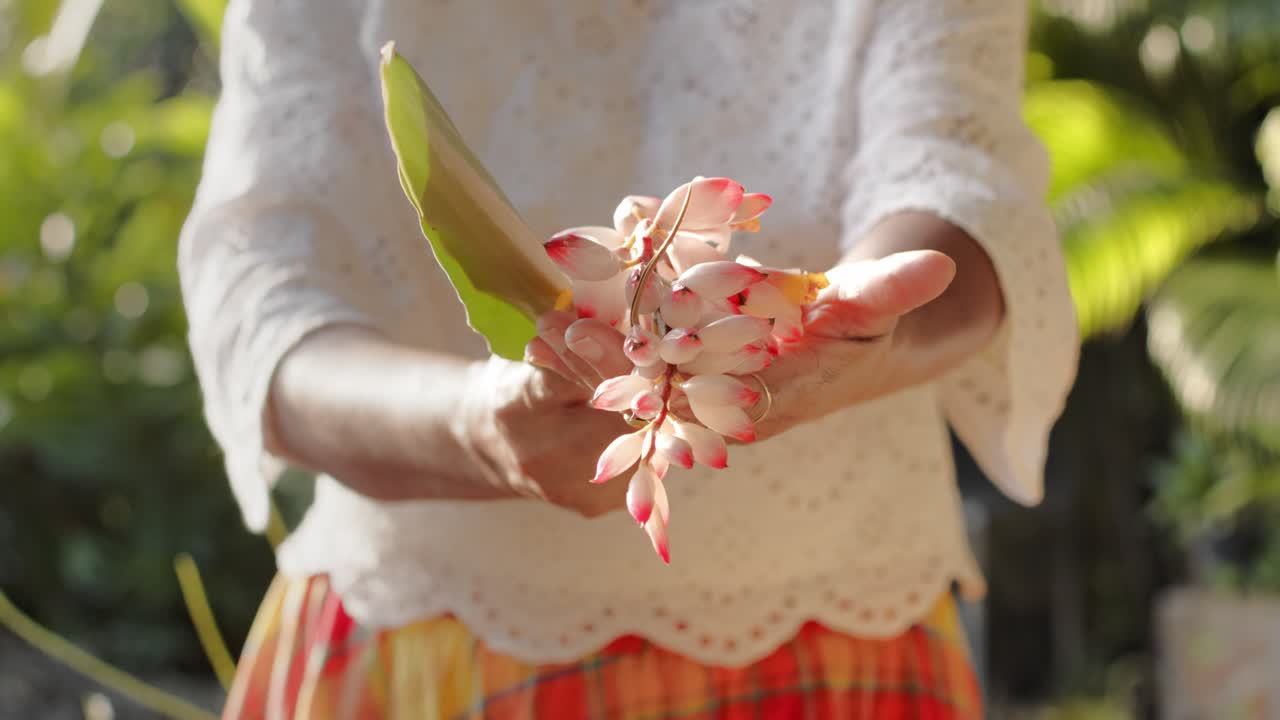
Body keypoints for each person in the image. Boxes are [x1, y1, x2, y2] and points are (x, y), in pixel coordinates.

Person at [179, 0, 1078, 717]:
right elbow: (260, 306)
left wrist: (857, 324)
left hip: (838, 622)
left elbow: (965, 190)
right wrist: (475, 430)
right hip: (426, 629)